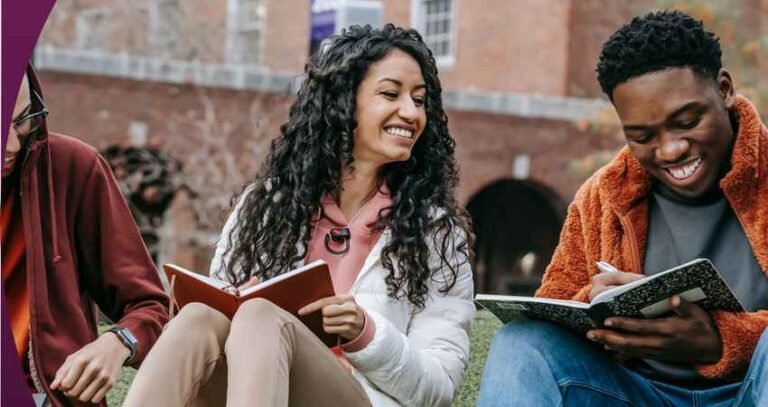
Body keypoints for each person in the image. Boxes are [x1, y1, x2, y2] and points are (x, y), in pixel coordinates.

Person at [123, 24, 474, 407]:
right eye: (390, 94)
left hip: (357, 398)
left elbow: (438, 389)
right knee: (198, 319)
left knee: (261, 315)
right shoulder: (266, 206)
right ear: (342, 102)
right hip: (254, 389)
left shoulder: (434, 231)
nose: (410, 112)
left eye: (420, 100)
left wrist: (366, 333)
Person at [477, 10, 768, 407]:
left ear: (724, 89)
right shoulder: (603, 195)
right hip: (636, 393)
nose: (670, 149)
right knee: (522, 343)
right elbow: (555, 306)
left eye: (687, 120)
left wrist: (722, 341)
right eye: (642, 136)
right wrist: (594, 305)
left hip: (752, 392)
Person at [2, 64, 169, 406]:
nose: (12, 144)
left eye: (22, 119)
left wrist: (120, 341)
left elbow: (151, 306)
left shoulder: (73, 168)